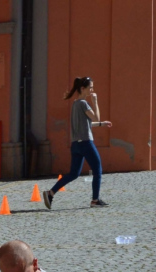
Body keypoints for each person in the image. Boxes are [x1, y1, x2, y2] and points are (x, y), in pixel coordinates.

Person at [42, 77, 112, 210]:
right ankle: (95, 200)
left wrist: (102, 124)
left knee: (73, 174)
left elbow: (88, 123)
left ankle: (50, 193)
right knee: (97, 170)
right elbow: (96, 117)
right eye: (90, 87)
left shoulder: (75, 104)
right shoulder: (84, 104)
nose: (92, 90)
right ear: (82, 89)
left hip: (76, 145)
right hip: (86, 143)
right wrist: (95, 101)